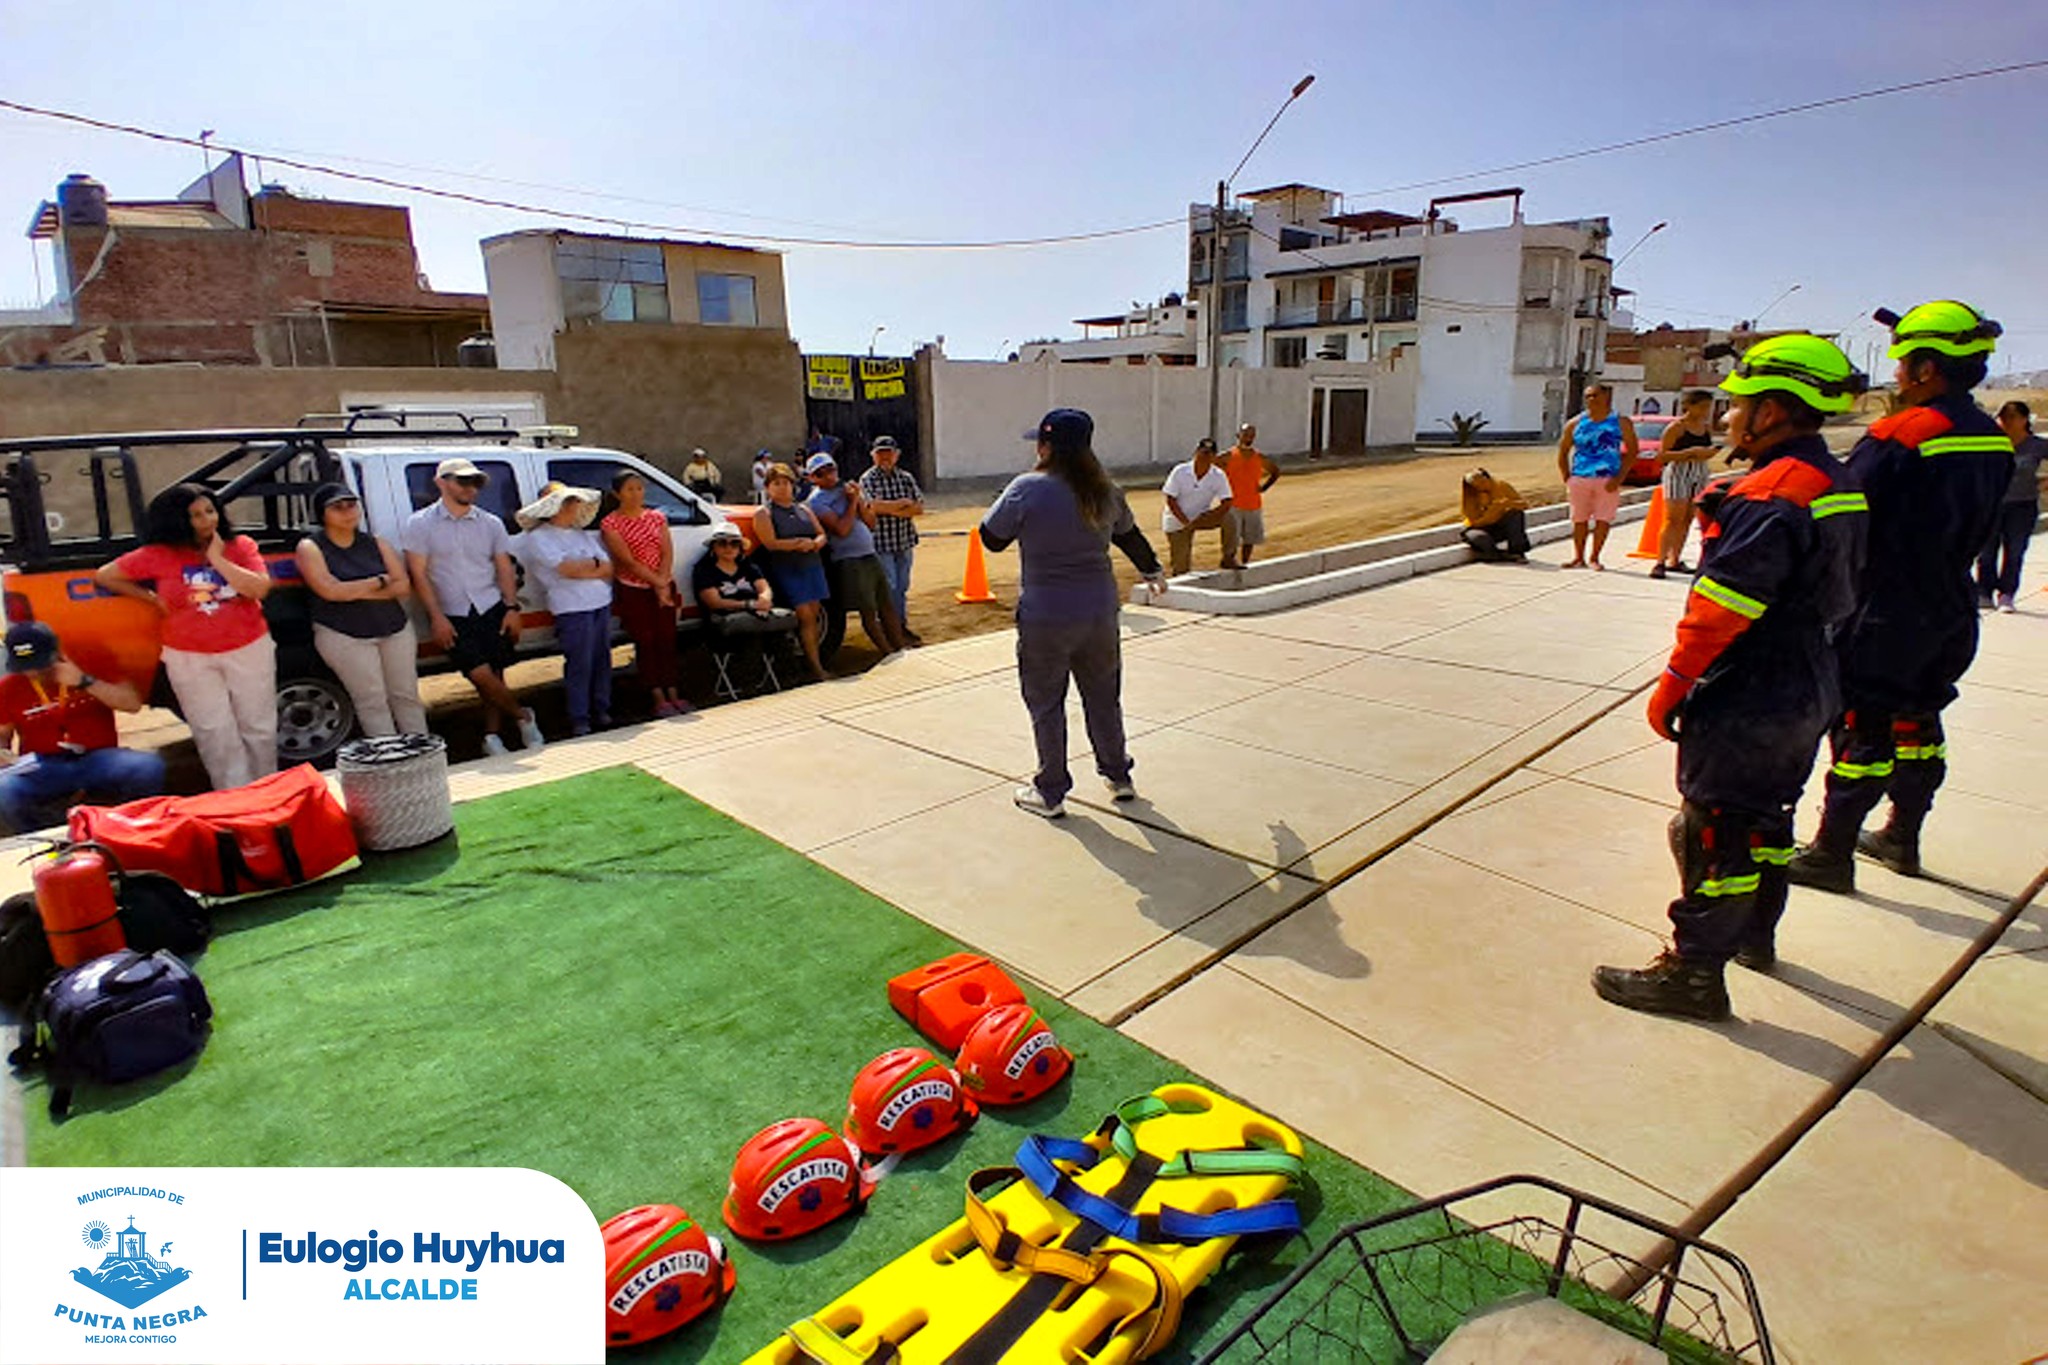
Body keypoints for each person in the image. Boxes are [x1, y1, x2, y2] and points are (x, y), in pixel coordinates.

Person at [1593, 335, 1869, 1019]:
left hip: (1753, 685)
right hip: (1812, 677)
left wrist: (1674, 685)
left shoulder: (1770, 494)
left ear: (1773, 412)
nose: (1730, 418)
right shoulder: (1837, 483)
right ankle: (1754, 937)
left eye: (1741, 404)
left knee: (1713, 829)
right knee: (1767, 818)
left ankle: (1693, 973)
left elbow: (1720, 612)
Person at [1788, 302, 2015, 892]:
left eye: (1903, 364)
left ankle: (1831, 853)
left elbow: (1842, 507)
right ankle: (1902, 836)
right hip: (1952, 604)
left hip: (1886, 609)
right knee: (1920, 722)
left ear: (1926, 370)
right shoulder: (1991, 436)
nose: (1896, 376)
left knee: (1863, 730)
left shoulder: (1904, 433)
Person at [980, 408, 1167, 819]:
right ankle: (1118, 777)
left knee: (1046, 702)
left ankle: (1050, 792)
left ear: (1046, 446)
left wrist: (1007, 502)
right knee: (1103, 698)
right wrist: (1152, 570)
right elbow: (1129, 537)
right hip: (1099, 612)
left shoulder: (1026, 488)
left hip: (1046, 616)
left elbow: (991, 539)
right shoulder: (1106, 490)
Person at [96, 484, 277, 790]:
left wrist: (218, 559)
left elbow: (258, 589)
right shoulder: (156, 555)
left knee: (259, 727)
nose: (208, 520)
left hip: (248, 647)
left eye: (210, 511)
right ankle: (234, 798)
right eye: (196, 515)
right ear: (177, 520)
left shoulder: (241, 546)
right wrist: (150, 598)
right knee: (214, 731)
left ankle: (269, 792)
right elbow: (106, 575)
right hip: (188, 655)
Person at [403, 457, 545, 758]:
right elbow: (419, 575)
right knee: (478, 674)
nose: (471, 488)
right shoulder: (420, 524)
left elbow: (504, 567)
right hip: (453, 611)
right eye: (462, 481)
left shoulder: (490, 523)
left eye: (475, 482)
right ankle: (524, 716)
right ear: (441, 482)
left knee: (495, 673)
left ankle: (492, 737)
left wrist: (511, 608)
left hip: (490, 604)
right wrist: (437, 617)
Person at [0, 622, 164, 833]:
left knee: (147, 766)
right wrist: (3, 754)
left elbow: (131, 704)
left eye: (40, 664)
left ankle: (131, 827)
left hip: (97, 757)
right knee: (4, 789)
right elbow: (2, 733)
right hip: (42, 764)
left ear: (57, 652)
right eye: (25, 667)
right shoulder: (9, 686)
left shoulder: (92, 665)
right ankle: (43, 834)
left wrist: (85, 681)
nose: (33, 673)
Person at [294, 483, 426, 738]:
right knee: (371, 699)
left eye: (351, 504)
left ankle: (422, 753)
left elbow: (402, 586)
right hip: (344, 635)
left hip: (393, 628)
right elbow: (329, 591)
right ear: (322, 514)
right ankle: (388, 759)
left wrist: (351, 590)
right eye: (337, 507)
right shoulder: (311, 547)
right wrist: (378, 582)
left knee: (406, 695)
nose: (347, 512)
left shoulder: (376, 542)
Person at [516, 483, 613, 737]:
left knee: (601, 660)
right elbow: (565, 569)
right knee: (580, 663)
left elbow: (608, 567)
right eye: (568, 502)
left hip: (599, 602)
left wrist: (587, 567)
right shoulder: (539, 537)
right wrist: (592, 566)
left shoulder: (580, 534)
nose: (574, 507)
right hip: (572, 608)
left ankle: (601, 710)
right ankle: (580, 717)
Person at [598, 469, 689, 718]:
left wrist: (662, 582)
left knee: (667, 639)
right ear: (617, 494)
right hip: (634, 588)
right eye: (630, 489)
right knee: (646, 641)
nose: (636, 493)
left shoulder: (656, 518)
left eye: (639, 488)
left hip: (663, 583)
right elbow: (627, 561)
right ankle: (656, 694)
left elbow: (666, 551)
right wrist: (656, 583)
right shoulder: (611, 524)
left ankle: (673, 690)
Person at [805, 453, 906, 656]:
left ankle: (900, 646)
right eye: (821, 473)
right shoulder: (816, 501)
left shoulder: (847, 490)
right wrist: (851, 503)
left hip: (869, 553)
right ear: (812, 478)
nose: (828, 476)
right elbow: (842, 530)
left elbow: (871, 522)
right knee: (867, 610)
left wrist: (859, 500)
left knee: (886, 604)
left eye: (830, 470)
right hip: (849, 560)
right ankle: (886, 651)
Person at [751, 463, 832, 682]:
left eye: (786, 483)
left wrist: (814, 544)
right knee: (804, 615)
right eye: (777, 483)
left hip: (812, 565)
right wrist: (796, 544)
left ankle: (812, 661)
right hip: (788, 568)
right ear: (768, 487)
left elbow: (821, 534)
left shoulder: (804, 509)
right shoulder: (764, 513)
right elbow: (770, 543)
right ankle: (815, 667)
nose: (782, 487)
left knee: (813, 616)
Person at [1556, 382, 1639, 570]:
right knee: (1579, 519)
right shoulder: (1575, 423)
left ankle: (1595, 557)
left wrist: (1619, 478)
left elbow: (1633, 451)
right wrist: (1567, 477)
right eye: (1588, 396)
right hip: (1580, 477)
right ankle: (1578, 557)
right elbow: (1563, 451)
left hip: (1608, 478)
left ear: (1606, 397)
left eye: (1595, 395)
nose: (1591, 400)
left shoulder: (1620, 422)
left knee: (1603, 519)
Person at [1976, 401, 2044, 612]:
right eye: (2003, 418)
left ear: (2024, 420)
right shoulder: (1992, 443)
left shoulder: (2036, 446)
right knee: (1986, 552)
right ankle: (1984, 592)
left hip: (2022, 506)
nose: (2006, 422)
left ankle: (2007, 594)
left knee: (2014, 551)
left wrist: (2044, 483)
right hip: (1992, 503)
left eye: (2012, 417)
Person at [857, 436, 925, 643]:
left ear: (896, 455)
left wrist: (887, 508)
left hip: (904, 542)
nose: (885, 457)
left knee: (902, 586)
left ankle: (900, 625)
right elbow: (870, 507)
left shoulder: (905, 477)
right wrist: (902, 505)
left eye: (888, 452)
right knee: (890, 587)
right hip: (882, 543)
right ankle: (891, 628)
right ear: (873, 456)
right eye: (880, 453)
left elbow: (919, 507)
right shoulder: (867, 479)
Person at [1651, 390, 1720, 579]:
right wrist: (1689, 453)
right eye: (1702, 407)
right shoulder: (1676, 428)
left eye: (1708, 407)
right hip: (1678, 473)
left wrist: (1708, 452)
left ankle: (1675, 558)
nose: (1705, 411)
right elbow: (1662, 456)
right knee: (1673, 518)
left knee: (1688, 518)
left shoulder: (1705, 428)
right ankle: (1660, 561)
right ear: (1689, 406)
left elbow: (1707, 449)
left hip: (1698, 472)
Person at [1160, 437, 1235, 575]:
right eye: (1203, 452)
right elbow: (1171, 499)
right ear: (1196, 452)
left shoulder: (1218, 475)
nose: (1205, 457)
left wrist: (1211, 515)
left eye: (1209, 454)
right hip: (1177, 521)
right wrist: (1185, 522)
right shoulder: (1180, 471)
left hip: (1201, 518)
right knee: (1181, 568)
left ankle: (1228, 557)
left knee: (1229, 517)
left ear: (1214, 457)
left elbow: (1227, 502)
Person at [1219, 423, 1279, 568]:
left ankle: (1245, 563)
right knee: (1231, 538)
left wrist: (1264, 487)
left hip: (1253, 503)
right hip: (1233, 504)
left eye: (1251, 435)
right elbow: (1210, 469)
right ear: (1238, 436)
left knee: (1250, 537)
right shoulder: (1227, 456)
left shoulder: (1259, 457)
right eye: (1246, 435)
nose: (1248, 438)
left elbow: (1275, 471)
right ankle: (1228, 561)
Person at [1460, 469, 1530, 561]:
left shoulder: (1502, 486)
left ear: (1487, 478)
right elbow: (1474, 522)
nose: (1480, 487)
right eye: (1476, 486)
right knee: (1480, 538)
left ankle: (1517, 551)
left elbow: (1524, 505)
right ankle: (1496, 555)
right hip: (1479, 527)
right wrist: (1491, 513)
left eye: (1482, 483)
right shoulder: (1470, 495)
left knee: (1516, 514)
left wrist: (1508, 504)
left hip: (1498, 525)